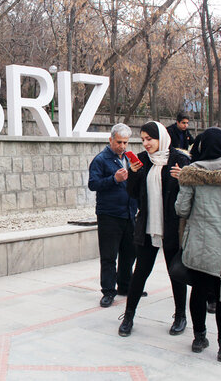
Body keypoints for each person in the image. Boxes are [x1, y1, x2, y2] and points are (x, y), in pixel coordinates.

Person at [175, 127, 221, 362]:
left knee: (198, 290)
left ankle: (199, 338)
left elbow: (181, 209)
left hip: (200, 244)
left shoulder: (191, 174)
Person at [118, 121, 190, 337]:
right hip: (148, 226)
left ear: (162, 138)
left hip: (172, 227)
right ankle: (128, 316)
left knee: (176, 273)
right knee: (140, 272)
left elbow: (191, 193)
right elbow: (132, 193)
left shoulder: (180, 159)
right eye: (143, 139)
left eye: (150, 139)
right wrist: (133, 173)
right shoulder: (141, 160)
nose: (146, 143)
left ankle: (180, 316)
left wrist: (184, 178)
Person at [88, 123, 138, 308]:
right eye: (119, 142)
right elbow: (93, 184)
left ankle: (125, 285)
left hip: (129, 213)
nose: (122, 146)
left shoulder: (129, 158)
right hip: (109, 214)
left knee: (129, 253)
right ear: (110, 140)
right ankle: (108, 291)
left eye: (125, 142)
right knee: (109, 255)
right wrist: (113, 179)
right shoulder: (101, 160)